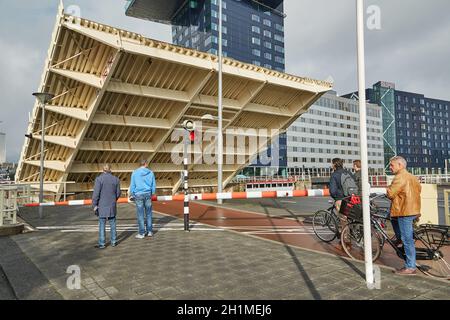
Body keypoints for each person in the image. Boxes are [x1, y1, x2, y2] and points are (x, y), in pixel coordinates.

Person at [387, 156, 421, 276]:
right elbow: (419, 190)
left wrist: (387, 190)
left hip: (404, 211)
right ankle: (399, 238)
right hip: (413, 209)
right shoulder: (412, 176)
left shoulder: (399, 177)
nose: (390, 167)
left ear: (400, 165)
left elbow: (391, 193)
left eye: (392, 165)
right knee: (391, 217)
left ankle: (410, 267)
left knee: (408, 240)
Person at [92, 164, 121, 249]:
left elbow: (96, 194)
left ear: (102, 170)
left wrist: (94, 204)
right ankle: (113, 241)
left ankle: (102, 243)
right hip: (112, 205)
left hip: (102, 205)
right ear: (110, 169)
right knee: (113, 224)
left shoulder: (99, 179)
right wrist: (113, 199)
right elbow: (118, 193)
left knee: (102, 225)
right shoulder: (116, 179)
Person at [129, 159, 156, 239]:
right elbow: (153, 185)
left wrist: (132, 194)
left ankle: (142, 233)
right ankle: (150, 231)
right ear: (146, 164)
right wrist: (152, 192)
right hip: (148, 194)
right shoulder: (151, 172)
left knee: (140, 214)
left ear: (139, 164)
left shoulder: (134, 173)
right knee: (148, 213)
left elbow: (132, 185)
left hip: (138, 194)